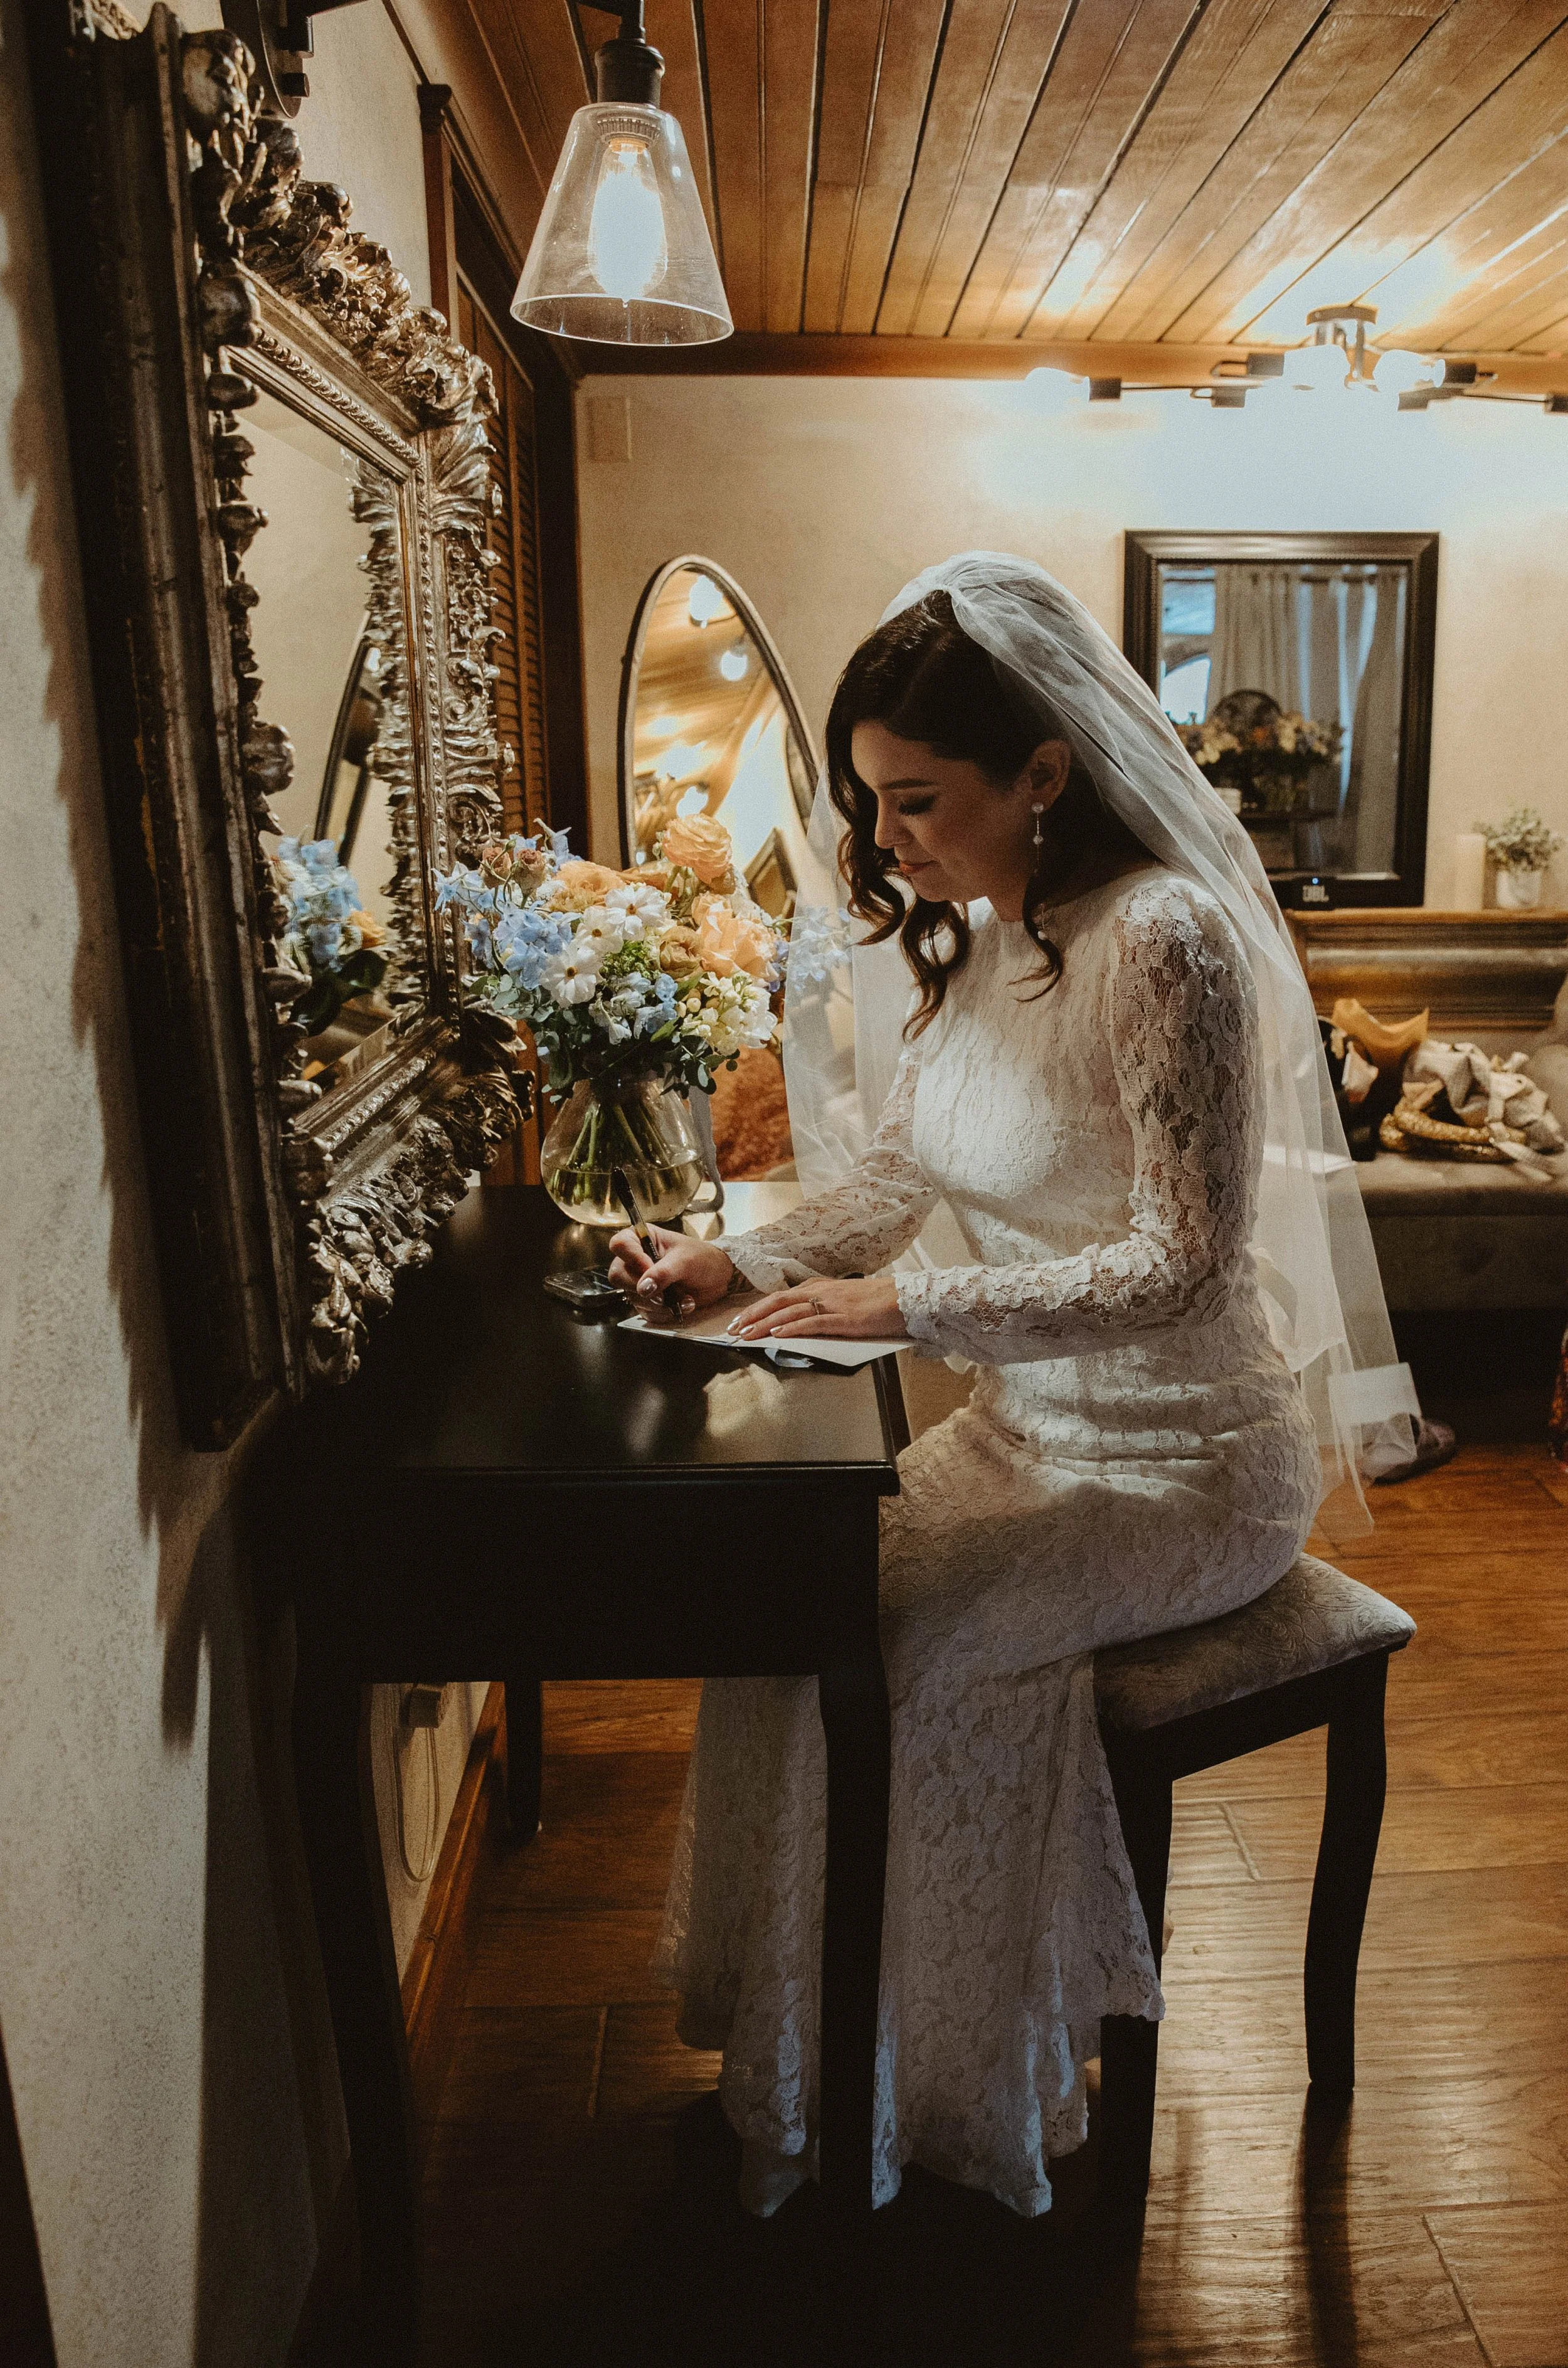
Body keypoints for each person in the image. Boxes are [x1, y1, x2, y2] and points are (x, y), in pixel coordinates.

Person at [607, 554, 1412, 2219]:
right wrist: (736, 1265)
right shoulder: (984, 935)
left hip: (1185, 1469)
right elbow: (899, 1164)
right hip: (1025, 1435)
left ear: (1042, 774)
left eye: (913, 799)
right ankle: (817, 2048)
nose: (882, 839)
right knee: (796, 1599)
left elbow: (1173, 1260)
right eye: (867, 801)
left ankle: (941, 2097)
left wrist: (907, 1306)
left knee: (912, 1647)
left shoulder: (1162, 940)